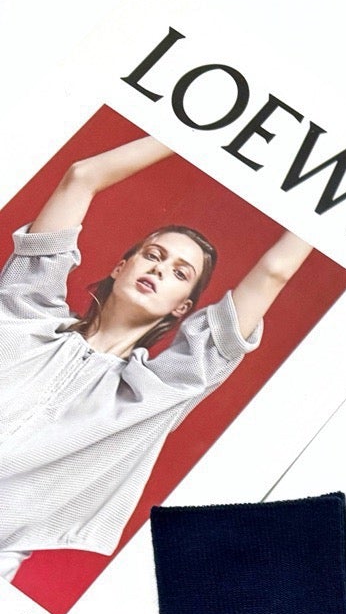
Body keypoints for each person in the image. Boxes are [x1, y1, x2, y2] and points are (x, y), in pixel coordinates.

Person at [0, 132, 313, 582]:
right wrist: (202, 126)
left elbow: (274, 272)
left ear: (182, 308)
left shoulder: (159, 394)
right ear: (121, 267)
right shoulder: (24, 311)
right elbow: (82, 176)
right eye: (153, 255)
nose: (159, 269)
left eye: (180, 273)